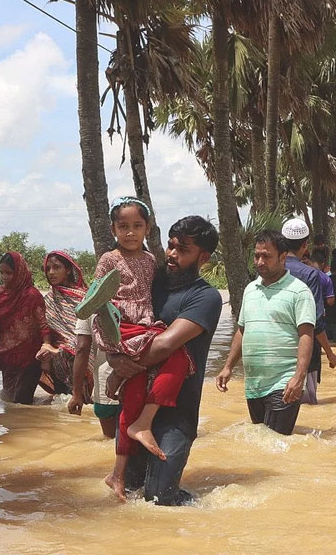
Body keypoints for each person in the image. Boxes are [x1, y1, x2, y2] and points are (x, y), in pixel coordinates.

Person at [75, 197, 199, 501]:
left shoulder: (149, 261)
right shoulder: (108, 259)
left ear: (147, 228)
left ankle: (116, 473)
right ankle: (138, 425)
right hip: (121, 325)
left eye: (137, 226)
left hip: (145, 323)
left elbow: (154, 296)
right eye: (123, 226)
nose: (130, 232)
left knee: (134, 391)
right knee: (178, 355)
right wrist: (111, 347)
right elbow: (97, 299)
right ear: (113, 228)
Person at [105, 215, 222, 506]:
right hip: (133, 402)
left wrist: (119, 372)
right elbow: (116, 323)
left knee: (159, 498)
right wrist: (112, 357)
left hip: (176, 412)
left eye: (182, 249)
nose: (171, 254)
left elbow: (165, 345)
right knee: (128, 492)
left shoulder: (206, 297)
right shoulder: (150, 284)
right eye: (170, 246)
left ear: (203, 257)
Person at [216, 230, 315, 435]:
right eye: (257, 255)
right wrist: (228, 367)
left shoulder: (299, 291)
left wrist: (299, 376)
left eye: (266, 256)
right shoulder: (250, 289)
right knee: (262, 442)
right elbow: (243, 330)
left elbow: (306, 334)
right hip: (254, 383)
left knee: (273, 441)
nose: (260, 261)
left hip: (284, 382)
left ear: (282, 257)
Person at [0, 252, 50, 404]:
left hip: (30, 358)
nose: (4, 277)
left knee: (21, 402)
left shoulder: (32, 295)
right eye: (1, 272)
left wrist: (46, 349)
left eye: (9, 273)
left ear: (19, 272)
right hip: (8, 358)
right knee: (9, 400)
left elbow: (43, 324)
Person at [281, 219, 336, 405]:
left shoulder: (269, 270)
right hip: (306, 351)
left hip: (276, 348)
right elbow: (314, 320)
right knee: (306, 405)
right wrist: (329, 352)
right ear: (305, 245)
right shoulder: (311, 274)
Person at [42, 251, 94, 397]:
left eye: (57, 267)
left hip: (85, 351)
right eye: (48, 268)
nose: (51, 272)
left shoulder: (85, 297)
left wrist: (65, 348)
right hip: (59, 359)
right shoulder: (48, 301)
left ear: (69, 270)